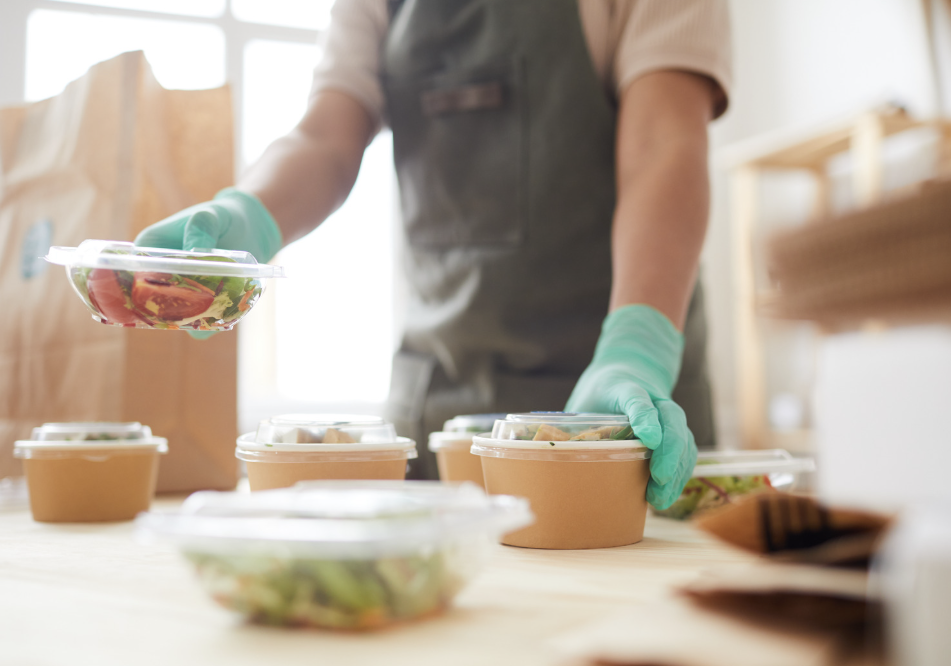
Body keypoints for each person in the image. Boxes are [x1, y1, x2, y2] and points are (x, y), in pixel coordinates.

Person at [135, 0, 732, 510]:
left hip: (623, 413)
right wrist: (247, 214)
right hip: (439, 413)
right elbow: (326, 136)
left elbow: (666, 141)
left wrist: (638, 348)